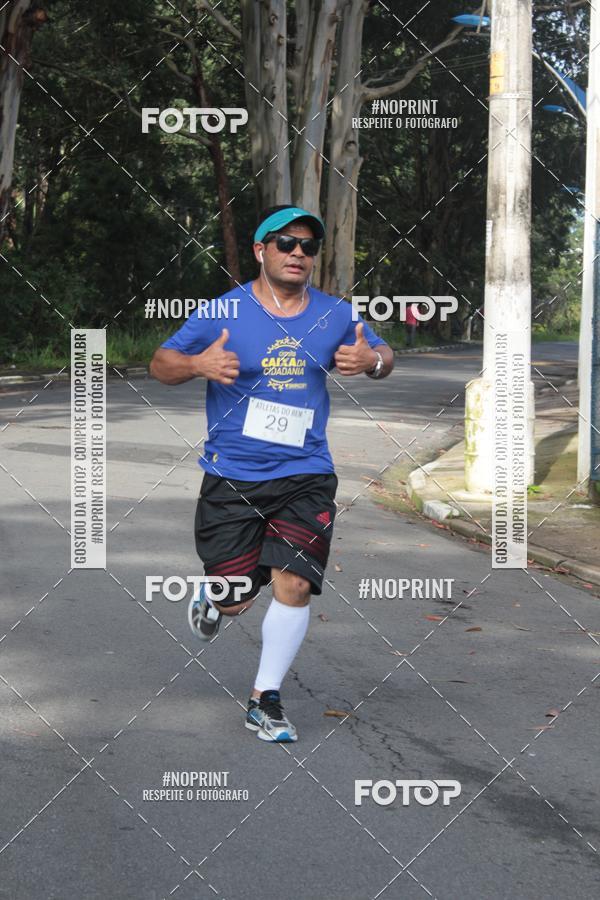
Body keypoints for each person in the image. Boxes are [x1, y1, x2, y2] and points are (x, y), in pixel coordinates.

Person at [150, 204, 394, 743]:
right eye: (286, 243)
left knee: (296, 582)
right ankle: (217, 596)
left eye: (308, 246)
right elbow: (160, 363)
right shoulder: (222, 312)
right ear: (261, 250)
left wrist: (372, 362)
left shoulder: (335, 314)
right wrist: (196, 365)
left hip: (307, 471)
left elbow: (382, 353)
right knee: (236, 599)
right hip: (234, 474)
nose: (298, 253)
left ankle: (265, 699)